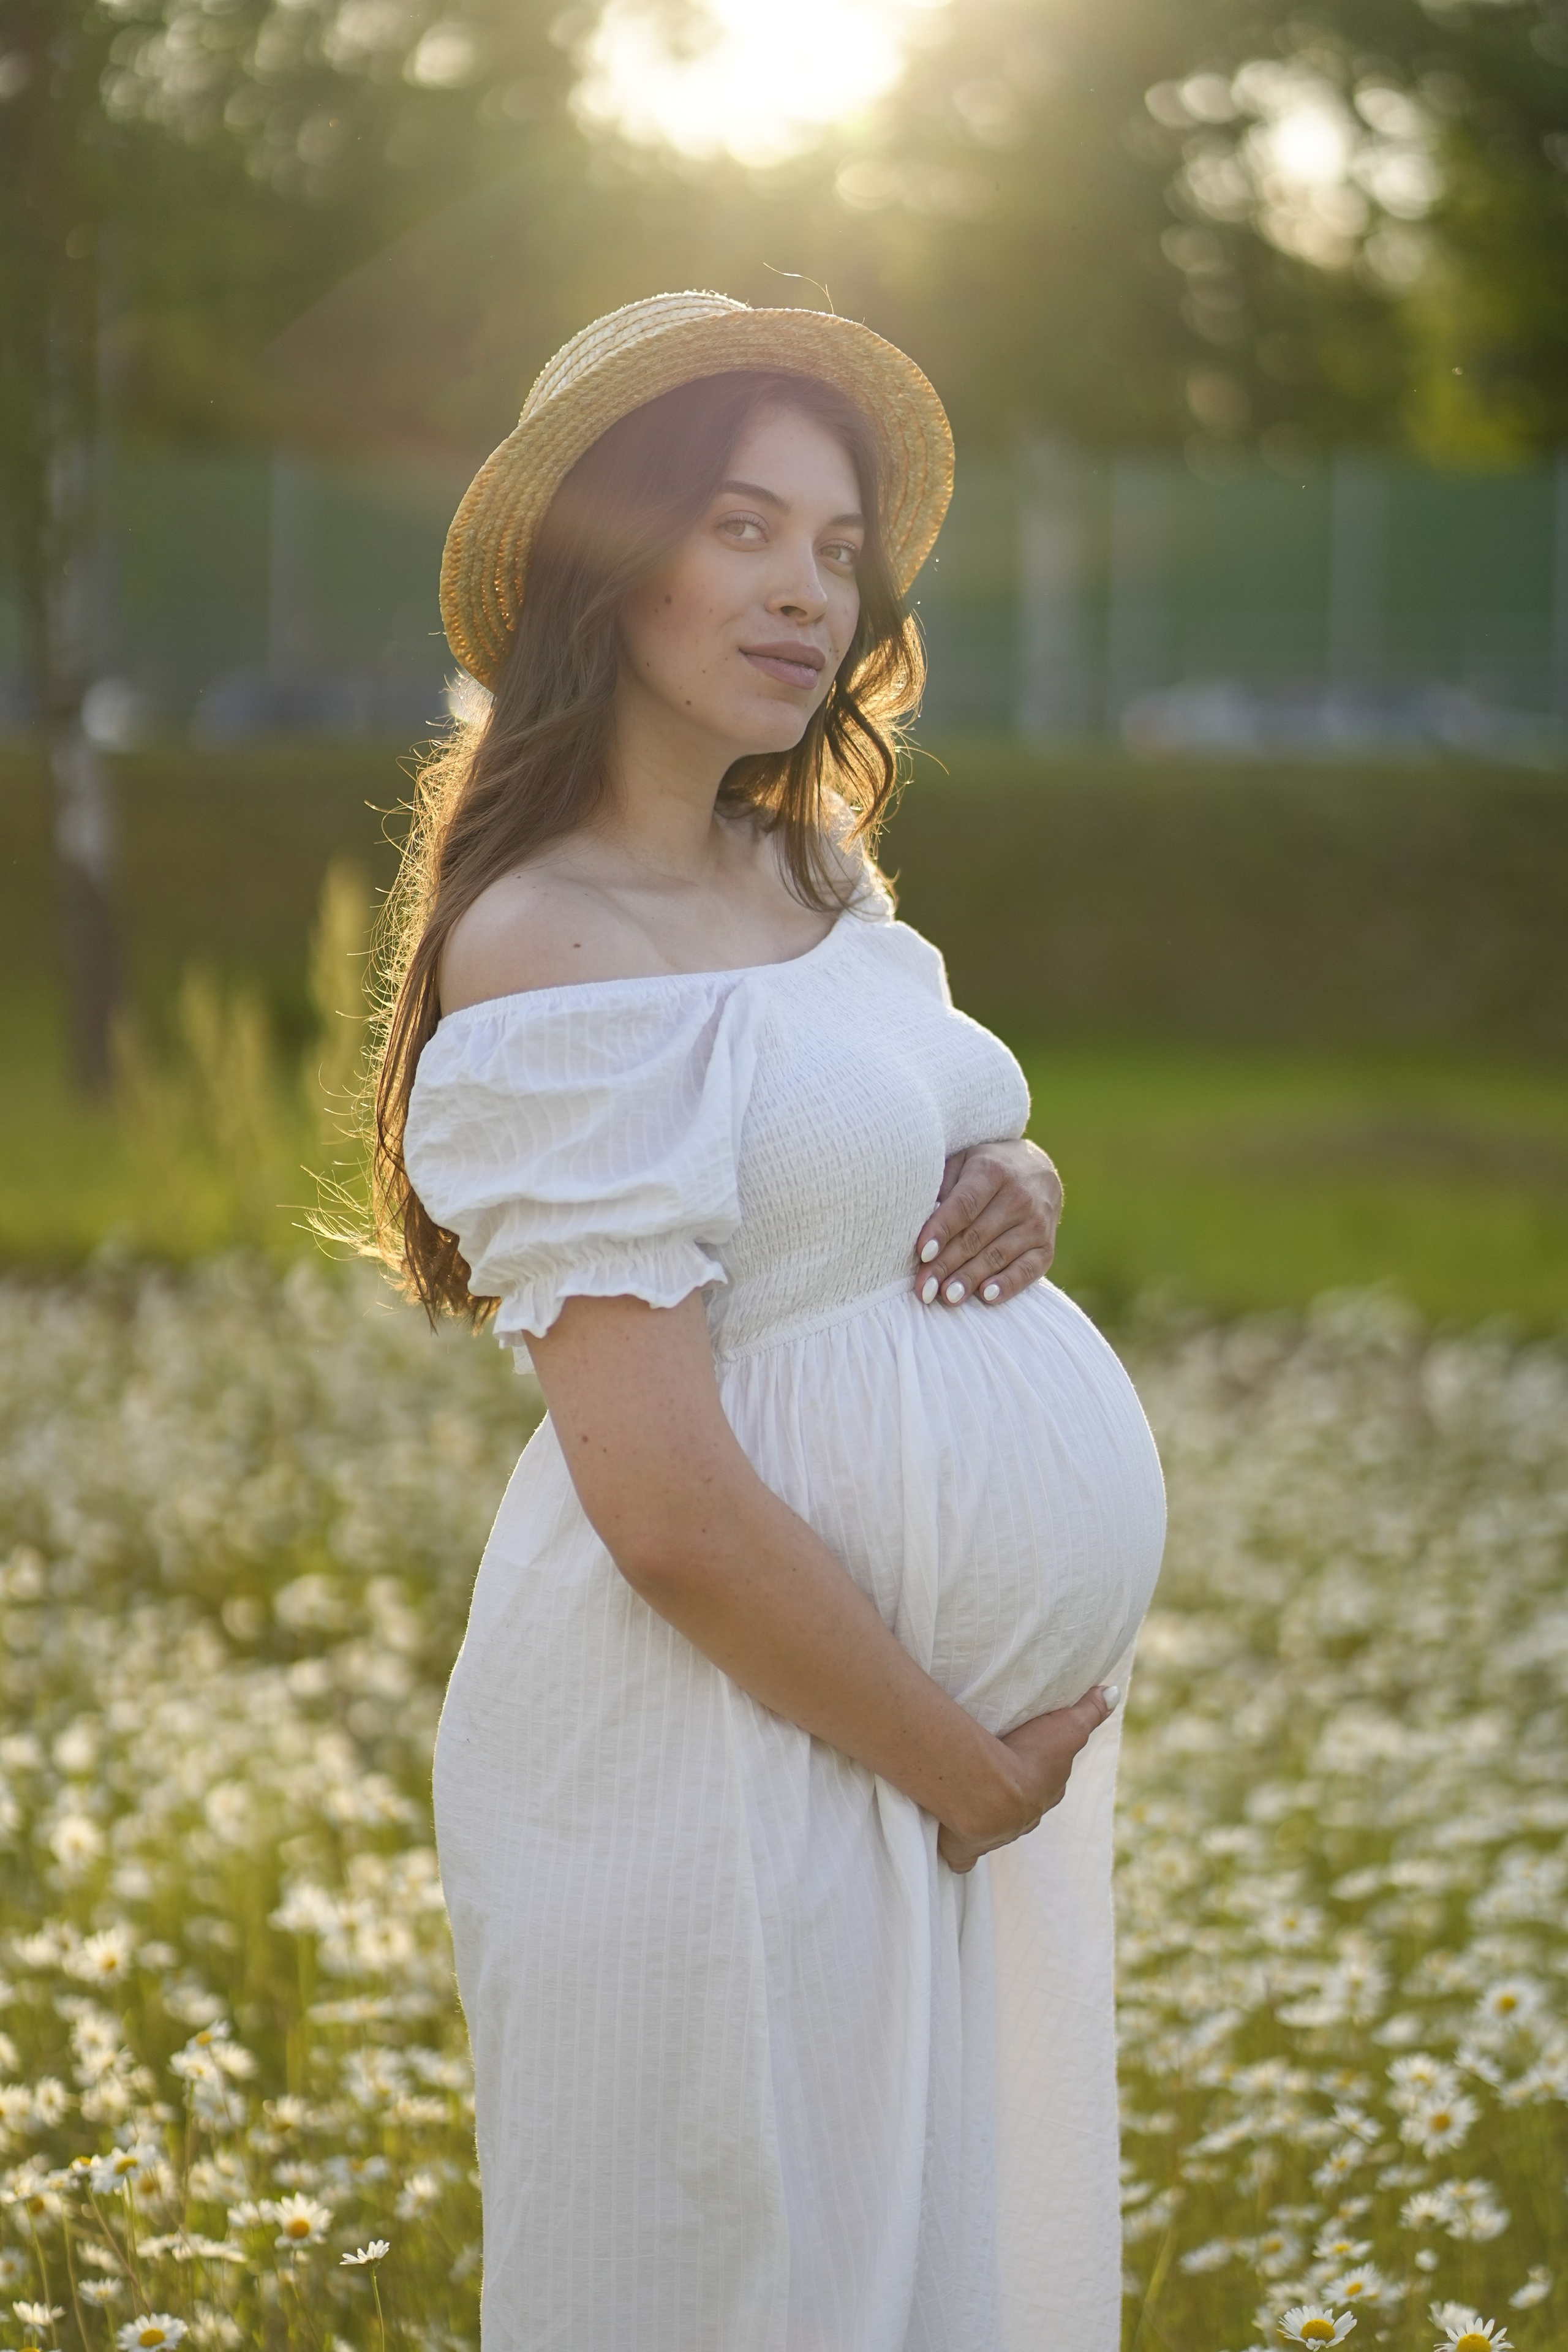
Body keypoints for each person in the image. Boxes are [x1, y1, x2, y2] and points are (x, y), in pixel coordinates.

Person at [372, 290, 1166, 2352]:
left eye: (836, 548)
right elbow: (661, 1501)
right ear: (602, 555)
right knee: (742, 2291)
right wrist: (959, 1772)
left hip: (910, 1768)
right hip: (727, 1767)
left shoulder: (815, 872)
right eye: (742, 525)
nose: (806, 589)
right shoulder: (548, 943)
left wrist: (1019, 1177)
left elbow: (883, 1144)